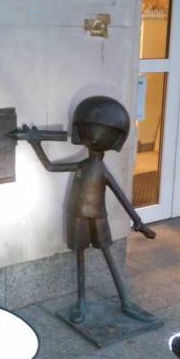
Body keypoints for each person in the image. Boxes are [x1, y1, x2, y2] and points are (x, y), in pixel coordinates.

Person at [22, 96, 156, 323]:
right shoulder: (86, 166)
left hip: (97, 215)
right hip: (77, 214)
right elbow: (51, 167)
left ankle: (124, 301)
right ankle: (83, 301)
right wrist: (35, 144)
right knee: (82, 253)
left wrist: (138, 221)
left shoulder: (97, 169)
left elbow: (120, 195)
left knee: (105, 252)